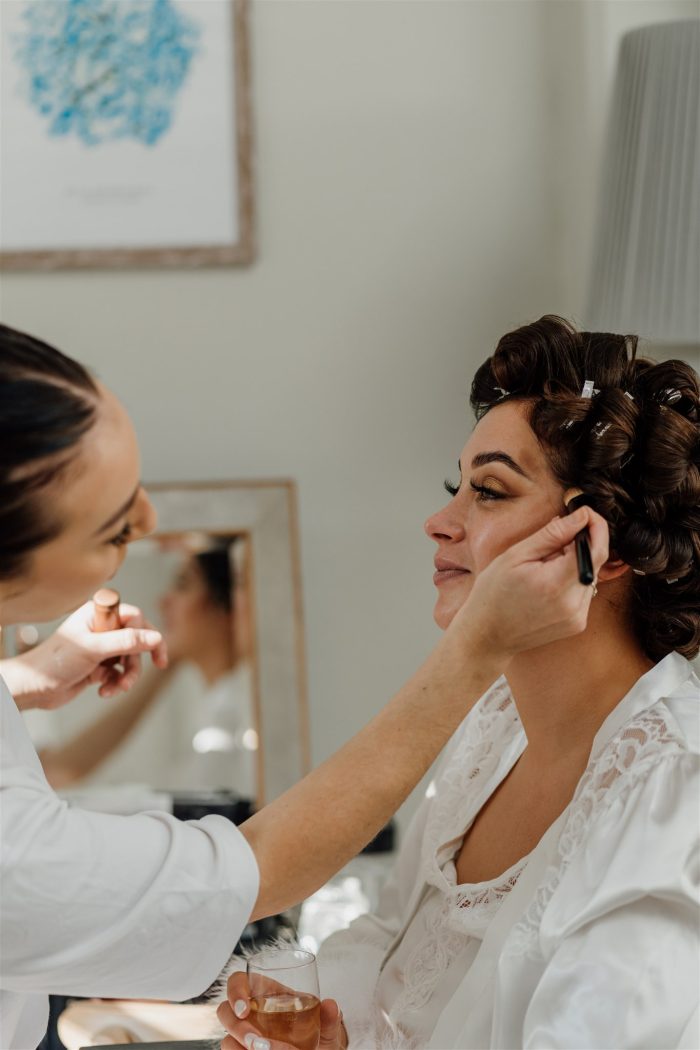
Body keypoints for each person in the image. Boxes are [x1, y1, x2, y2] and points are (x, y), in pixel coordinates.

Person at [0, 322, 605, 1050]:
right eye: (114, 531)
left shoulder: (664, 788)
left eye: (488, 490)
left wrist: (19, 683)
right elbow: (253, 871)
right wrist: (474, 652)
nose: (154, 521)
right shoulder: (486, 734)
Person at [220, 316, 700, 1050]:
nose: (439, 522)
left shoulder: (676, 794)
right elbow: (392, 942)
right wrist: (332, 1034)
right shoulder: (497, 723)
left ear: (601, 547)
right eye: (458, 486)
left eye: (490, 491)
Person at [36, 541, 257, 795]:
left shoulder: (232, 719)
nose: (164, 602)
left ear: (225, 605)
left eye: (183, 584)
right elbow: (57, 771)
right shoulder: (217, 710)